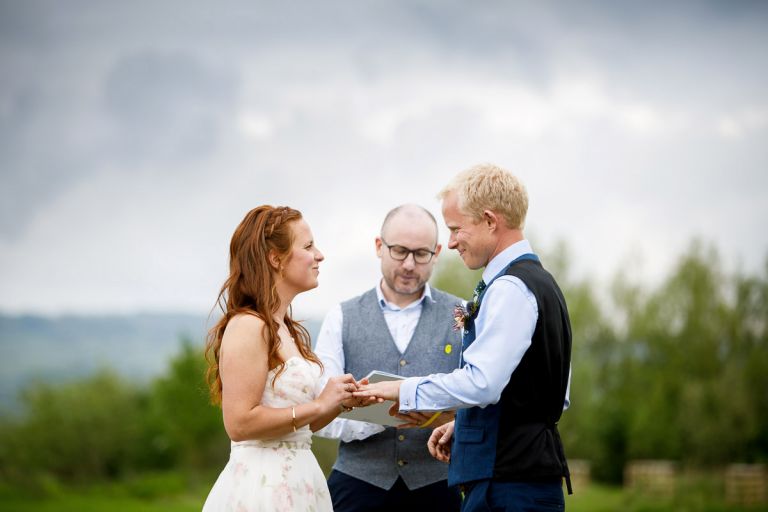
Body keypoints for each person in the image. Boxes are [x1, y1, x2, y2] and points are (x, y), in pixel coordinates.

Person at [355, 164, 573, 511]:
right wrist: (466, 423)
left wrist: (403, 390)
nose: (452, 241)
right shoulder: (541, 283)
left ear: (489, 220)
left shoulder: (510, 289)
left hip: (508, 486)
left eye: (457, 229)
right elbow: (549, 396)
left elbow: (483, 383)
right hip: (521, 479)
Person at [202, 205, 370, 512]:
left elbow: (300, 425)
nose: (320, 255)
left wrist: (339, 401)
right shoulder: (248, 326)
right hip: (261, 488)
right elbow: (239, 423)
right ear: (275, 258)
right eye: (307, 246)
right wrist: (317, 404)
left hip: (301, 483)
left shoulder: (286, 329)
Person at [313, 204, 463, 511]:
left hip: (439, 485)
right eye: (399, 251)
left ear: (436, 253)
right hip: (356, 485)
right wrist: (376, 421)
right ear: (379, 247)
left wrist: (452, 419)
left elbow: (482, 395)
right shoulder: (342, 316)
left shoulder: (462, 315)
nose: (409, 264)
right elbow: (319, 411)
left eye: (421, 254)